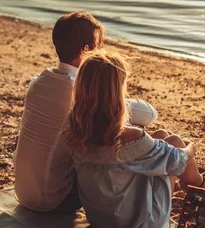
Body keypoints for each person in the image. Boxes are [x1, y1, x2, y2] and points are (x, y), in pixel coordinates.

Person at [67, 50, 205, 228]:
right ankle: (202, 186)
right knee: (175, 142)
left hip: (101, 222)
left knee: (161, 137)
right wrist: (192, 146)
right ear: (117, 94)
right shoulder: (130, 137)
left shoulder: (75, 129)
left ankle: (192, 185)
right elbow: (179, 161)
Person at [13, 12, 158, 212]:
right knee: (127, 127)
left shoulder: (39, 81)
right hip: (54, 200)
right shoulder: (79, 92)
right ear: (86, 50)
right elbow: (150, 115)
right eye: (98, 46)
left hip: (22, 191)